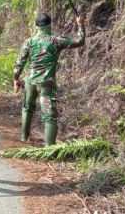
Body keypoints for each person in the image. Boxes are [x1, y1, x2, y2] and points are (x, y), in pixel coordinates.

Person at [14, 13, 85, 146]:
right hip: (46, 83)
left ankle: (24, 137)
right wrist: (80, 25)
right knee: (50, 116)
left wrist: (16, 79)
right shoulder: (56, 41)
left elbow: (19, 64)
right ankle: (49, 147)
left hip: (30, 81)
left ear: (36, 26)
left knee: (27, 108)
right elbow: (80, 41)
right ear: (49, 25)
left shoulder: (29, 42)